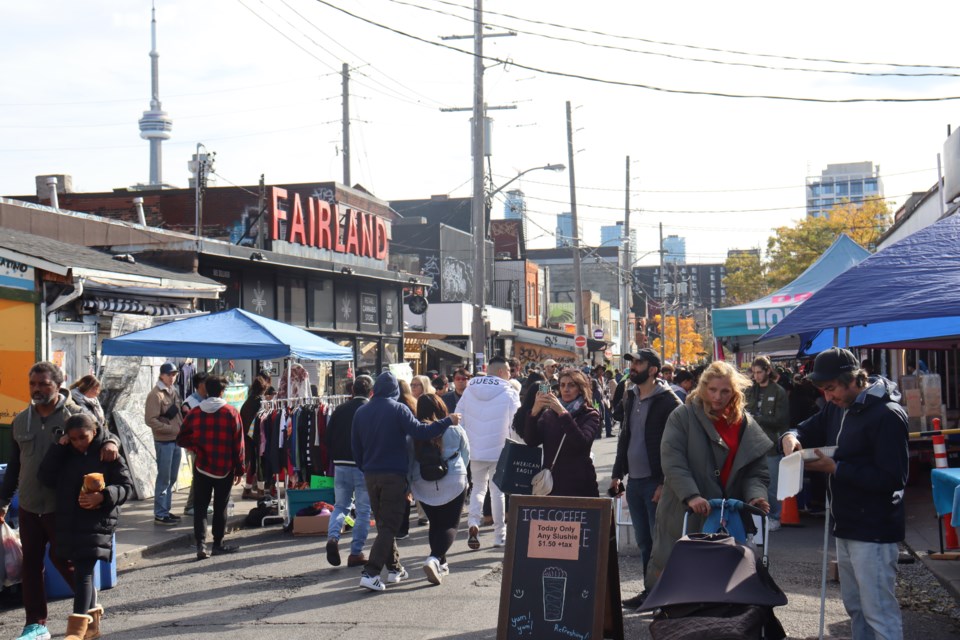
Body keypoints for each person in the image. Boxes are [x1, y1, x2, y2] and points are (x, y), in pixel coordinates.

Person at [781, 348, 908, 640]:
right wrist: (790, 437)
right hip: (845, 522)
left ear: (853, 380)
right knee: (855, 608)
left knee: (878, 611)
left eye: (831, 388)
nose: (828, 396)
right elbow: (804, 428)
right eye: (823, 390)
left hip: (874, 527)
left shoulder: (887, 414)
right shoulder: (836, 407)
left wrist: (837, 469)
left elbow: (893, 478)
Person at [0, 361, 121, 640]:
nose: (37, 389)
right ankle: (35, 624)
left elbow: (104, 435)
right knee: (30, 564)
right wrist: (3, 502)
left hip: (63, 507)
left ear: (59, 384)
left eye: (44, 383)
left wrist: (112, 443)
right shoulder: (20, 421)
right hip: (30, 505)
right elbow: (15, 466)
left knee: (66, 561)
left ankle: (89, 611)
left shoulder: (75, 414)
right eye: (33, 383)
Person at [646, 360, 771, 590]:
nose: (717, 397)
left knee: (720, 579)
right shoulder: (682, 416)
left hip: (727, 512)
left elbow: (756, 469)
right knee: (676, 570)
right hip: (685, 508)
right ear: (702, 387)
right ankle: (668, 614)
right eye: (712, 389)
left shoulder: (744, 423)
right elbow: (673, 461)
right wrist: (691, 495)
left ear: (734, 392)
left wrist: (755, 496)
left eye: (725, 391)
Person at [351, 371, 459, 592]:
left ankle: (394, 568)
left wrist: (365, 467)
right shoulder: (398, 409)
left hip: (370, 475)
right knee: (389, 525)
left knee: (384, 524)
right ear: (394, 390)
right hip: (393, 474)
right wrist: (448, 421)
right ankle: (371, 573)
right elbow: (421, 431)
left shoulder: (361, 412)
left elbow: (356, 447)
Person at [38, 413, 132, 640]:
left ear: (95, 432)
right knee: (82, 570)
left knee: (83, 573)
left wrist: (103, 496)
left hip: (96, 522)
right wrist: (58, 448)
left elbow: (126, 486)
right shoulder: (66, 454)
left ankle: (76, 630)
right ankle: (92, 626)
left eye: (83, 437)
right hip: (69, 521)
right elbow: (45, 477)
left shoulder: (107, 453)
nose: (79, 442)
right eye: (74, 438)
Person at [609, 349, 682, 607]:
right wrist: (617, 474)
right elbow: (624, 437)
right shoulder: (630, 396)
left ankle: (666, 595)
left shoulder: (669, 401)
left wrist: (664, 482)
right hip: (635, 482)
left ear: (653, 369)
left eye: (638, 363)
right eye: (632, 363)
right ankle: (650, 592)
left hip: (656, 482)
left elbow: (676, 445)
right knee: (643, 542)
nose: (633, 367)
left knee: (660, 542)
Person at [176, 374, 246, 559]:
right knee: (220, 506)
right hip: (225, 467)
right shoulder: (231, 413)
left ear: (206, 390)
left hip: (202, 466)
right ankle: (217, 543)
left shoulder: (195, 412)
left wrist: (197, 447)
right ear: (222, 391)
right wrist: (240, 469)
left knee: (200, 506)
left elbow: (181, 438)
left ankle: (201, 545)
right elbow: (238, 445)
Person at [457, 356, 521, 550]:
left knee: (478, 488)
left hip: (475, 450)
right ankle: (499, 535)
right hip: (499, 450)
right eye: (509, 370)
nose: (510, 374)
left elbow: (459, 419)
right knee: (497, 492)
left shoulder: (469, 391)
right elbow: (515, 424)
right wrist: (517, 446)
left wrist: (465, 444)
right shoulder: (509, 393)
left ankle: (473, 523)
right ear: (501, 372)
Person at [408, 394, 470, 585]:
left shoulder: (414, 433)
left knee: (435, 523)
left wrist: (409, 484)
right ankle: (435, 558)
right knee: (450, 524)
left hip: (422, 482)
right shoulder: (455, 428)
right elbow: (466, 454)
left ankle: (441, 563)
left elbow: (409, 461)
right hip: (453, 480)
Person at [525, 369, 601, 497]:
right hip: (553, 484)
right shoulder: (549, 414)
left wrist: (563, 413)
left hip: (580, 485)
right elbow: (531, 441)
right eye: (562, 385)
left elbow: (582, 444)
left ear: (581, 388)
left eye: (571, 385)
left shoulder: (590, 414)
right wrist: (534, 413)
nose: (566, 389)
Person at [325, 375, 374, 569]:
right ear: (371, 392)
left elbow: (327, 438)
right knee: (363, 511)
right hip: (362, 465)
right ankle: (355, 552)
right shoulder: (369, 411)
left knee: (340, 506)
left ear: (352, 390)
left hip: (341, 464)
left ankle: (333, 537)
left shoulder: (339, 410)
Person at [745, 356, 790, 532]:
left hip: (771, 444)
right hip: (751, 443)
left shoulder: (778, 391)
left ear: (768, 371)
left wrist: (757, 418)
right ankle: (757, 516)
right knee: (753, 482)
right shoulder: (750, 391)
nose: (756, 376)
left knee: (772, 483)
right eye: (754, 372)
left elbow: (782, 420)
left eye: (759, 372)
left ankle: (774, 516)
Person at [144, 362, 183, 526]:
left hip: (176, 440)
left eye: (174, 374)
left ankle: (165, 510)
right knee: (164, 478)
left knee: (172, 477)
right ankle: (160, 513)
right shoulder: (155, 394)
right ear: (162, 375)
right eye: (170, 374)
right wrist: (168, 428)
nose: (172, 377)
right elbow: (150, 420)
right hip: (164, 440)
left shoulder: (174, 392)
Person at [180, 371, 209, 516]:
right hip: (195, 445)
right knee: (197, 475)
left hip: (207, 444)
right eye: (206, 382)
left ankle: (200, 504)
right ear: (200, 385)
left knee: (204, 476)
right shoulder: (189, 402)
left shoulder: (208, 399)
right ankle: (190, 506)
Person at [239, 376, 268, 500]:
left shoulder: (247, 402)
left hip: (246, 436)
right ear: (263, 389)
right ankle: (260, 491)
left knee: (252, 463)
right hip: (256, 436)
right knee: (259, 463)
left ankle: (248, 488)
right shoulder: (260, 402)